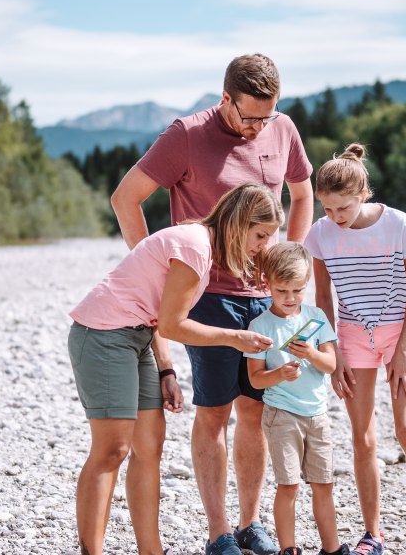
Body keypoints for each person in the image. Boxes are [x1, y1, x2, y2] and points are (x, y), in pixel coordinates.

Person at [111, 53, 314, 555]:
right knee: (215, 411)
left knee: (256, 409)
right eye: (249, 117)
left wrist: (291, 254)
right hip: (211, 295)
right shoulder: (186, 134)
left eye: (266, 117)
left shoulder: (282, 128)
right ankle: (219, 533)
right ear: (226, 99)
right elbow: (125, 198)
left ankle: (250, 524)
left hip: (264, 294)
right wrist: (155, 267)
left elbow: (303, 194)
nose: (257, 128)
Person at [68, 183, 282, 555]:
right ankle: (92, 551)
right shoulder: (194, 247)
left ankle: (152, 551)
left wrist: (166, 371)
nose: (263, 245)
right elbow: (172, 324)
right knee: (112, 450)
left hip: (137, 337)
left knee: (150, 447)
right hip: (103, 335)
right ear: (239, 223)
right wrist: (236, 338)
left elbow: (157, 318)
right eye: (260, 235)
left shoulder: (204, 247)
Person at [303, 144, 406, 555]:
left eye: (342, 208)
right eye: (326, 209)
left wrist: (403, 349)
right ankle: (373, 533)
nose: (334, 217)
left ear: (363, 194)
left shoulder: (398, 225)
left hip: (400, 335)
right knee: (362, 439)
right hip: (351, 337)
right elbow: (323, 299)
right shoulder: (320, 235)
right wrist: (334, 352)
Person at [244, 242, 348, 555]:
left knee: (324, 484)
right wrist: (281, 374)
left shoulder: (316, 317)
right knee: (288, 485)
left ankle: (331, 548)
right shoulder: (260, 326)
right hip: (281, 415)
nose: (290, 299)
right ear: (267, 285)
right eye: (281, 291)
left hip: (318, 415)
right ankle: (289, 548)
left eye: (297, 290)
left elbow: (331, 366)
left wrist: (312, 353)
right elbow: (255, 378)